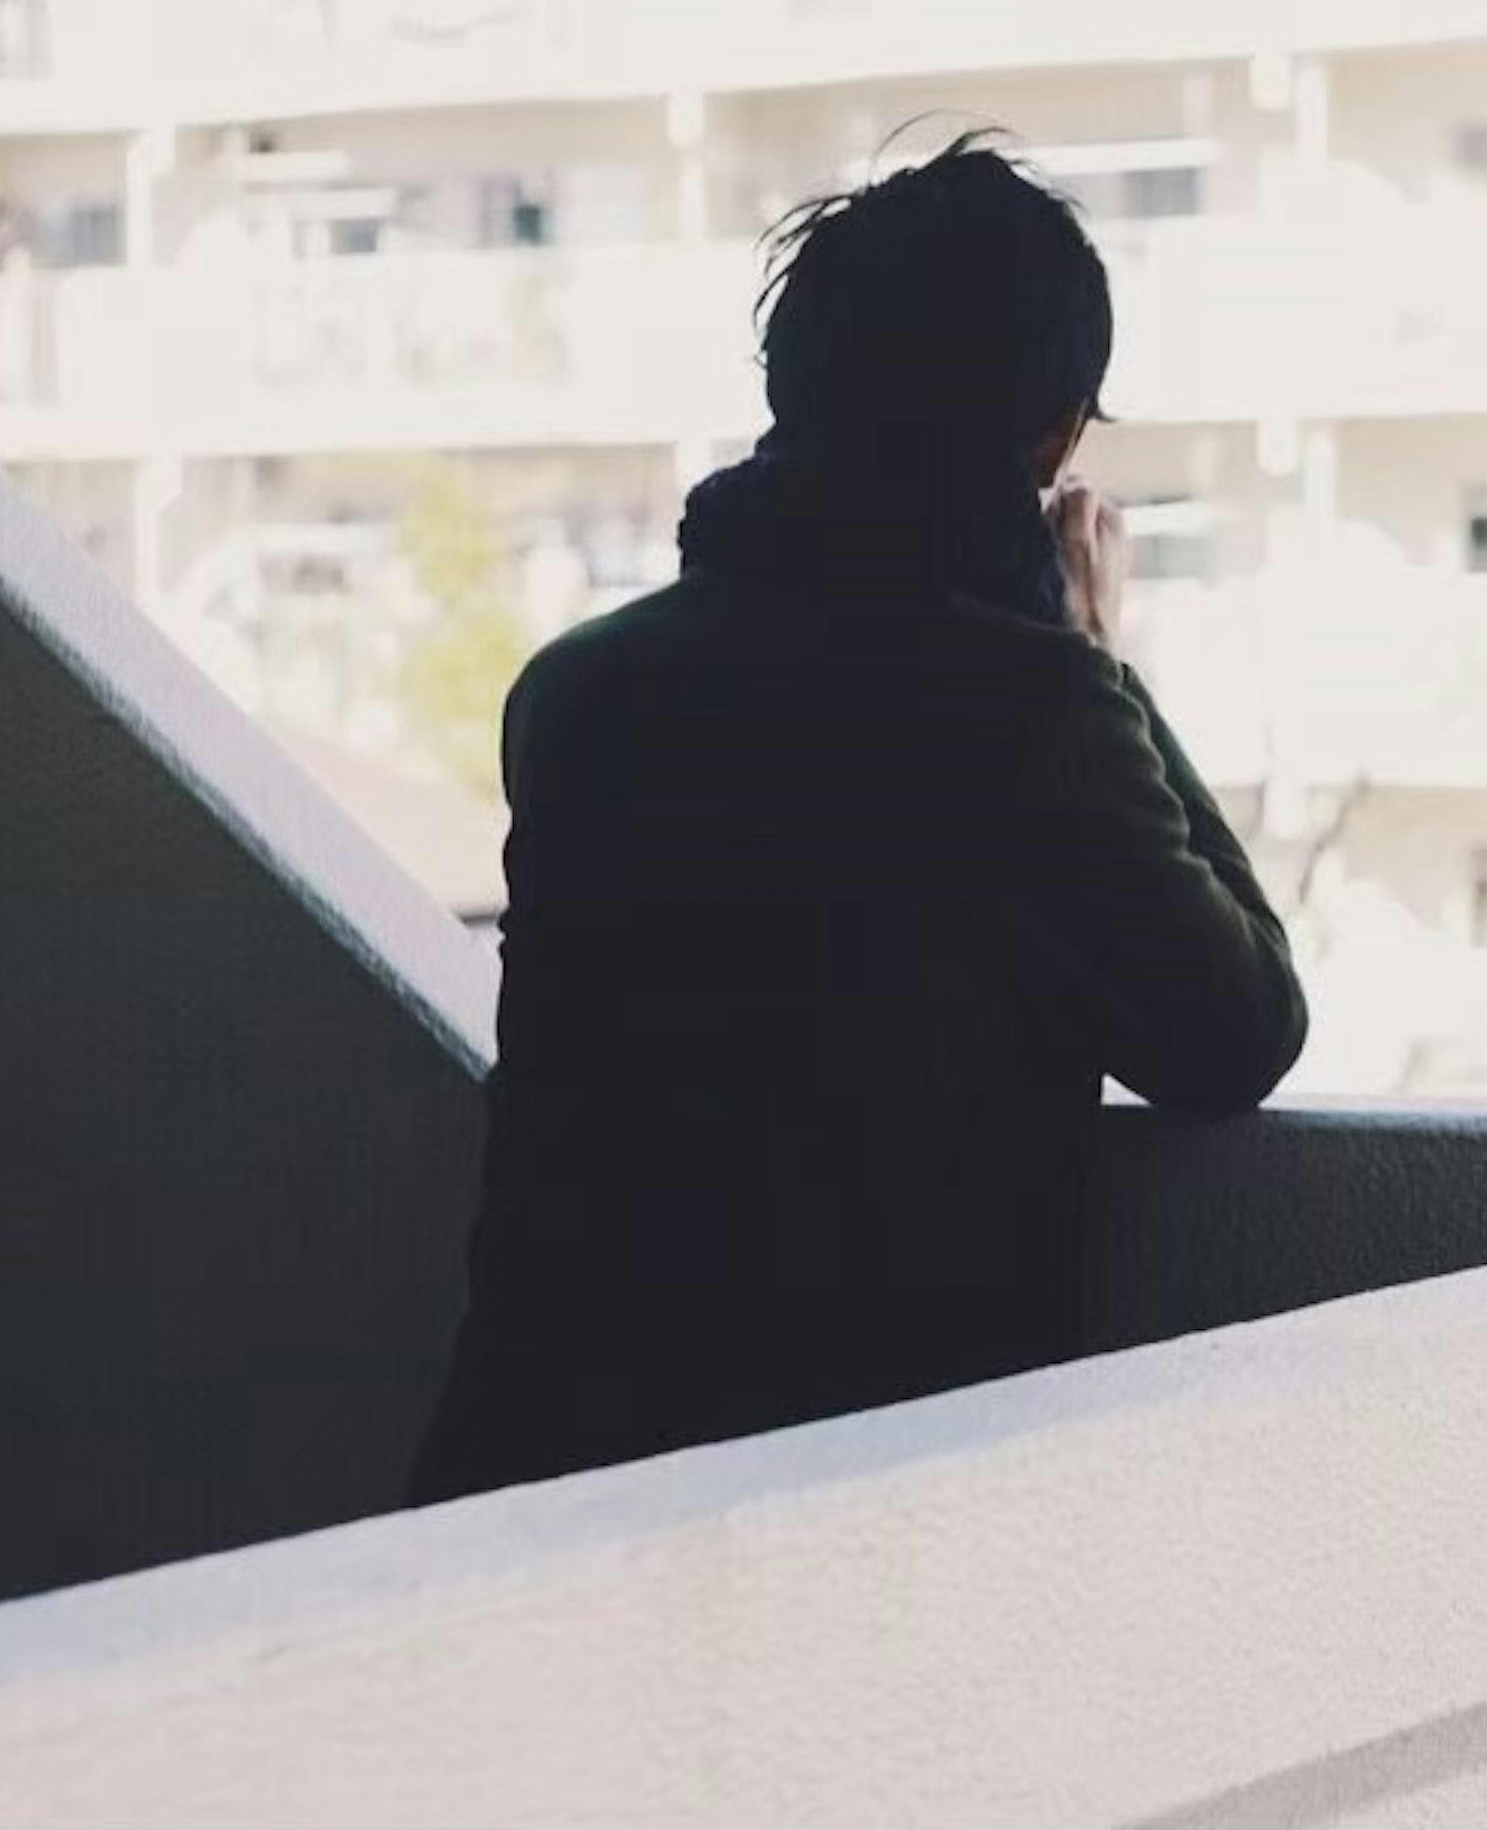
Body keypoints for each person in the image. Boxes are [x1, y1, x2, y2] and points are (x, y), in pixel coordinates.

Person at [410, 139, 1306, 1503]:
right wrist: (1091, 652)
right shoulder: (1020, 713)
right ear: (1056, 433)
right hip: (851, 1522)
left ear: (792, 393)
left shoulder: (581, 695)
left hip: (529, 1469)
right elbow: (1238, 1027)